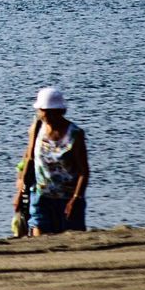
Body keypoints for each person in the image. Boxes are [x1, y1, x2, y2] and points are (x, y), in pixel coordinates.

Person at [14, 86, 89, 235]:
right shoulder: (37, 128)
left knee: (72, 238)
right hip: (41, 196)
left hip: (67, 199)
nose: (45, 115)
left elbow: (83, 171)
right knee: (39, 237)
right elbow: (29, 158)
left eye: (49, 112)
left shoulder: (75, 134)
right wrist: (20, 191)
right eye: (43, 111)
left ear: (60, 112)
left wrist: (76, 198)